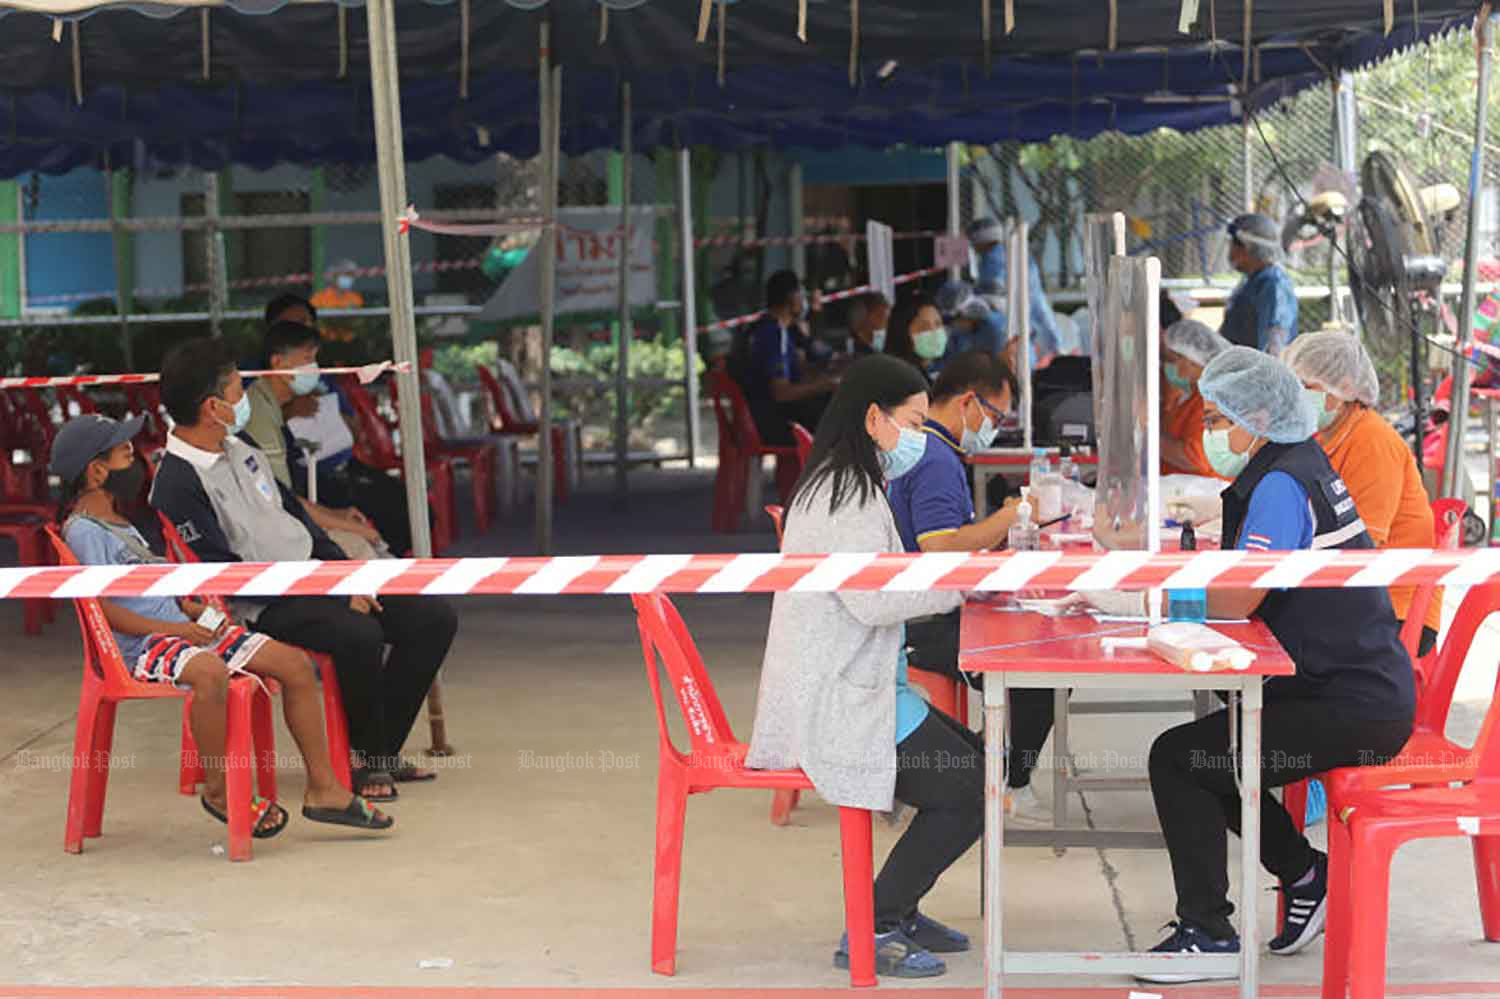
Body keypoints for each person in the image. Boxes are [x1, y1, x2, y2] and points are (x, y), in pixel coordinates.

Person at [1133, 347, 1414, 980]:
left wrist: (1152, 590)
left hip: (1352, 704)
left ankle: (1210, 935)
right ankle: (1304, 873)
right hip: (1340, 684)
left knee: (1183, 758)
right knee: (1214, 752)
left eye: (1217, 418)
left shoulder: (1283, 482)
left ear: (1256, 416)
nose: (1211, 433)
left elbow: (1235, 600)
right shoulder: (1294, 464)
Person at [745, 354, 976, 979]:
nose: (921, 440)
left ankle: (897, 910)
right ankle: (875, 921)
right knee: (970, 790)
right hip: (838, 695)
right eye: (913, 422)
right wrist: (963, 585)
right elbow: (875, 601)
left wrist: (955, 580)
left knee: (980, 762)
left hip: (864, 679)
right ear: (874, 417)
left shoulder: (852, 480)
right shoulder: (841, 497)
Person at [150, 338, 458, 803]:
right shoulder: (176, 483)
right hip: (264, 603)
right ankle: (366, 757)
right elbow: (225, 575)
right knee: (359, 633)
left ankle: (377, 752)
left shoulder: (241, 445)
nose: (245, 402)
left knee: (432, 619)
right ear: (213, 407)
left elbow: (295, 517)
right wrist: (331, 593)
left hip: (312, 577)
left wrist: (343, 574)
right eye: (238, 393)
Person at [54, 414, 392, 835]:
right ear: (97, 471)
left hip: (179, 633)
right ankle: (217, 789)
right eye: (125, 452)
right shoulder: (85, 533)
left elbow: (152, 590)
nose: (136, 458)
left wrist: (196, 614)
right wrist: (179, 632)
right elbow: (106, 614)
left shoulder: (120, 522)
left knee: (294, 666)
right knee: (210, 673)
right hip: (141, 647)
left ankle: (323, 788)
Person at [884, 352, 1065, 825]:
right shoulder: (936, 459)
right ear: (968, 401)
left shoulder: (929, 449)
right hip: (919, 622)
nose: (995, 427)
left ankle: (993, 771)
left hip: (919, 607)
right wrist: (1006, 519)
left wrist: (996, 531)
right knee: (1040, 667)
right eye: (996, 416)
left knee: (1039, 647)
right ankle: (1007, 783)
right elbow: (942, 550)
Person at [1283, 330, 1442, 656]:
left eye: (1305, 387)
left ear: (1343, 387)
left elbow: (1362, 544)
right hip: (1354, 594)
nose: (1296, 396)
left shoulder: (1372, 440)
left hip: (1392, 608)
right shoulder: (1326, 437)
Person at [265, 293, 413, 555]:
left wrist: (328, 413)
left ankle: (400, 565)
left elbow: (356, 427)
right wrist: (290, 411)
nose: (301, 331)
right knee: (369, 510)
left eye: (305, 323)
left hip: (344, 463)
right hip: (306, 474)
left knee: (401, 498)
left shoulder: (321, 376)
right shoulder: (258, 383)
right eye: (292, 326)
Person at [242, 321, 389, 560]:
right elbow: (281, 500)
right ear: (278, 363)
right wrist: (349, 527)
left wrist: (337, 516)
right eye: (307, 359)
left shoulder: (273, 407)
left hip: (291, 519)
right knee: (360, 546)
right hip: (277, 536)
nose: (314, 368)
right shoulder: (259, 416)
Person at [727, 269, 838, 444]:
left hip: (759, 417)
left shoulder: (761, 329)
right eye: (802, 294)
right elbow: (781, 393)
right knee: (843, 410)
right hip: (773, 425)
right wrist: (827, 384)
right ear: (792, 298)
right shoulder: (774, 335)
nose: (805, 301)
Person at [1160, 319, 1233, 478]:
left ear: (1193, 360)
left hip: (1204, 492)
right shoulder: (1191, 396)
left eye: (1173, 359)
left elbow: (1196, 459)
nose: (1169, 366)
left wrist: (1150, 437)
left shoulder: (1212, 400)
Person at [1219, 213, 1299, 355]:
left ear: (1246, 248)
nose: (1230, 251)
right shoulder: (1251, 281)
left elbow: (1275, 344)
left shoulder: (1274, 285)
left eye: (1232, 245)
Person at [884, 294, 947, 383]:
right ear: (902, 332)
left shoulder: (923, 372)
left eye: (938, 324)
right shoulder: (902, 378)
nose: (934, 332)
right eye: (924, 327)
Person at [309, 260, 364, 343]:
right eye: (345, 274)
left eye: (351, 275)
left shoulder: (356, 298)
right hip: (325, 342)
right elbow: (312, 321)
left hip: (349, 342)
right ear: (334, 276)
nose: (348, 278)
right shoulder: (319, 298)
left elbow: (359, 322)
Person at [845, 291, 892, 356]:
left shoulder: (877, 342)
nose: (885, 319)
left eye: (885, 315)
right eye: (879, 315)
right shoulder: (854, 350)